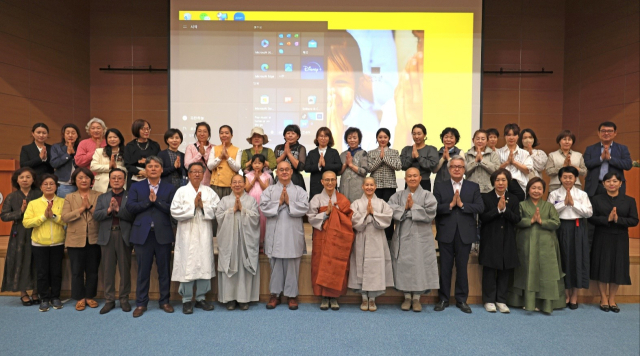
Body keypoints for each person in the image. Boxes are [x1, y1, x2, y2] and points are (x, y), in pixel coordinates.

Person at [125, 156, 177, 317]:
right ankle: (141, 303)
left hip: (163, 234)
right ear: (145, 170)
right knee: (143, 271)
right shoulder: (136, 187)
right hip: (142, 235)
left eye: (156, 166)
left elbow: (174, 209)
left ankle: (165, 301)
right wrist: (148, 202)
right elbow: (130, 207)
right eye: (150, 166)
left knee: (164, 270)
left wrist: (158, 203)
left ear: (162, 169)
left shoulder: (170, 188)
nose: (153, 169)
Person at [433, 156, 484, 313]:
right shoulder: (440, 186)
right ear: (449, 169)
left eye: (460, 167)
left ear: (464, 169)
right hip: (446, 231)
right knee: (445, 267)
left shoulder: (472, 186)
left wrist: (462, 205)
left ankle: (462, 300)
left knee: (462, 267)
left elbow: (480, 207)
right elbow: (434, 207)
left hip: (465, 233)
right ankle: (443, 299)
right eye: (453, 166)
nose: (457, 169)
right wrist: (449, 205)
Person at [507, 177, 565, 314]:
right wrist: (530, 220)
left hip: (547, 244)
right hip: (525, 242)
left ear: (543, 191)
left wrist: (542, 222)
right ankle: (525, 302)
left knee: (546, 272)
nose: (536, 191)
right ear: (528, 190)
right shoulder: (521, 205)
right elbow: (516, 221)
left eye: (539, 188)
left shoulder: (549, 206)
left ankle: (544, 303)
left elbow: (556, 223)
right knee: (526, 270)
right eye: (533, 188)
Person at [389, 167, 440, 312]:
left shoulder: (428, 195)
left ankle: (417, 298)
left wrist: (412, 207)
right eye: (409, 176)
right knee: (404, 264)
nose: (412, 178)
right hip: (403, 235)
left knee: (419, 264)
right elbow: (390, 209)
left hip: (421, 237)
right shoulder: (398, 196)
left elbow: (430, 213)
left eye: (415, 176)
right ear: (405, 179)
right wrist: (405, 209)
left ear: (420, 178)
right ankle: (406, 297)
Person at [170, 162, 219, 314]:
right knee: (187, 264)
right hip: (186, 233)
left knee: (204, 263)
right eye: (193, 172)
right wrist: (193, 206)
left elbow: (218, 209)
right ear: (189, 174)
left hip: (203, 232)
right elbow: (174, 211)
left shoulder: (209, 191)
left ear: (204, 174)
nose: (197, 174)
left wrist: (203, 206)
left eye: (199, 171)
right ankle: (186, 300)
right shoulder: (181, 191)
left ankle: (201, 298)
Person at [260, 161, 309, 310]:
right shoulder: (269, 190)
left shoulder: (300, 190)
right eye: (281, 170)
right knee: (275, 265)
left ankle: (292, 295)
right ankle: (275, 294)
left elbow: (305, 208)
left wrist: (289, 203)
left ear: (291, 172)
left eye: (287, 169)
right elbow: (263, 208)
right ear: (277, 172)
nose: (284, 172)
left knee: (293, 265)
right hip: (275, 233)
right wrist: (279, 202)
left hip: (292, 233)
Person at [590, 172, 638, 313]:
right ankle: (603, 298)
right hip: (602, 236)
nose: (612, 183)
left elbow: (634, 220)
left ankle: (612, 299)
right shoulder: (596, 199)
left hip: (620, 237)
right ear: (603, 184)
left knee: (618, 267)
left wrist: (618, 220)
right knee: (602, 266)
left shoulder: (629, 200)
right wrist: (607, 219)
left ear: (620, 183)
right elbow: (591, 218)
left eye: (615, 181)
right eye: (608, 181)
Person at [307, 171, 354, 311]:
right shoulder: (316, 198)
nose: (330, 182)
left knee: (336, 266)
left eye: (333, 180)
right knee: (320, 264)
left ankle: (334, 297)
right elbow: (310, 217)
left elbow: (349, 218)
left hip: (337, 239)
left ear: (336, 181)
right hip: (321, 237)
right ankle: (323, 296)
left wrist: (337, 213)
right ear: (322, 182)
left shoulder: (342, 199)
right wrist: (327, 214)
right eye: (327, 180)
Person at [548, 166, 593, 309]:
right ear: (560, 178)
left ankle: (574, 296)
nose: (568, 180)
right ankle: (565, 295)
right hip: (560, 228)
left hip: (577, 228)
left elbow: (589, 213)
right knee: (563, 259)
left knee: (577, 260)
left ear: (575, 179)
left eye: (571, 177)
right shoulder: (554, 194)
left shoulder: (582, 194)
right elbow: (549, 212)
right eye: (565, 177)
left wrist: (574, 204)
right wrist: (563, 204)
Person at [325, 30, 378, 152]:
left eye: (340, 82)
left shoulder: (369, 146)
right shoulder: (290, 140)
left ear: (357, 85)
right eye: (319, 83)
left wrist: (335, 142)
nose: (330, 93)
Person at [216, 174, 261, 311]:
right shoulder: (224, 200)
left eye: (240, 182)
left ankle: (244, 299)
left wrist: (243, 210)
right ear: (230, 185)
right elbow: (218, 217)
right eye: (234, 182)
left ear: (244, 184)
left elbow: (256, 218)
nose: (237, 185)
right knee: (230, 265)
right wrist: (232, 211)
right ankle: (229, 299)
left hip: (245, 241)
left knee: (243, 268)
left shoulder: (251, 200)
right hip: (229, 240)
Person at [348, 177, 394, 312]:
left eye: (371, 185)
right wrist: (366, 214)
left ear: (375, 187)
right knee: (360, 264)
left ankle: (373, 298)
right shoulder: (356, 203)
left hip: (377, 238)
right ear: (362, 187)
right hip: (361, 237)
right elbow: (353, 220)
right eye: (366, 185)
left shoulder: (381, 203)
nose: (369, 187)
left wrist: (373, 213)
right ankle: (363, 297)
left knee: (375, 266)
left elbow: (388, 218)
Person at [478, 169, 521, 313]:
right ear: (493, 182)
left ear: (508, 182)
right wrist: (497, 209)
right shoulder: (485, 197)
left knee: (505, 270)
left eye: (503, 180)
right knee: (489, 270)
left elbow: (517, 219)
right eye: (497, 180)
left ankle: (501, 300)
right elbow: (482, 218)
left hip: (508, 239)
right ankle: (489, 300)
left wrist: (505, 210)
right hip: (490, 238)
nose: (500, 183)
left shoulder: (513, 199)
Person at [93, 168, 134, 314]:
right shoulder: (102, 197)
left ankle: (124, 299)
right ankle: (109, 300)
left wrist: (118, 210)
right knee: (108, 270)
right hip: (107, 236)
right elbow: (96, 216)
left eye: (119, 178)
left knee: (124, 270)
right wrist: (109, 211)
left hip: (124, 235)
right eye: (113, 178)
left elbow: (132, 216)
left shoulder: (130, 196)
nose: (116, 180)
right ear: (109, 180)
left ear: (124, 180)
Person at [22, 173, 66, 312]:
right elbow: (26, 222)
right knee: (42, 273)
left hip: (57, 243)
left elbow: (66, 220)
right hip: (39, 244)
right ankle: (44, 299)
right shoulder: (33, 203)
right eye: (45, 184)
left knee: (56, 272)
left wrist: (52, 216)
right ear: (40, 187)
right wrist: (43, 217)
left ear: (56, 186)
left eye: (51, 184)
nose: (48, 186)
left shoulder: (62, 202)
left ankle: (55, 297)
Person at [61, 167, 101, 311]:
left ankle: (90, 296)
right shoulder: (69, 197)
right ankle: (80, 298)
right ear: (75, 181)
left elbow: (101, 216)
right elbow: (64, 217)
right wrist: (80, 209)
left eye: (86, 178)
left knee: (92, 270)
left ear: (91, 180)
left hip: (94, 238)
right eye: (80, 178)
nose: (83, 180)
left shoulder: (99, 195)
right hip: (75, 239)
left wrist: (88, 207)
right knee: (76, 271)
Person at [1, 167, 41, 306]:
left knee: (36, 260)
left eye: (28, 177)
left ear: (33, 179)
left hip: (37, 230)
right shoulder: (12, 196)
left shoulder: (39, 193)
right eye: (22, 177)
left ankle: (36, 292)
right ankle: (23, 293)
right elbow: (4, 216)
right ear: (17, 180)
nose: (25, 180)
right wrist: (20, 211)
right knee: (20, 260)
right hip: (18, 233)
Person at [367, 128, 402, 240]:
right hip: (374, 187)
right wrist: (379, 158)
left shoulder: (394, 152)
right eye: (380, 137)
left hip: (389, 187)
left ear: (389, 138)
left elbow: (398, 166)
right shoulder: (370, 153)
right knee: (375, 211)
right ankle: (375, 237)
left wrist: (385, 157)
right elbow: (369, 168)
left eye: (385, 137)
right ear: (377, 138)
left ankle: (389, 238)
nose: (382, 139)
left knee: (388, 213)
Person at [584, 121, 633, 197]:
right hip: (595, 187)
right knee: (593, 208)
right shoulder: (590, 149)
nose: (606, 133)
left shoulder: (622, 148)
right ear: (598, 133)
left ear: (615, 133)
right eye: (603, 131)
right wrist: (601, 158)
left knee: (614, 208)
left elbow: (628, 165)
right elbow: (586, 164)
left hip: (615, 187)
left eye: (609, 131)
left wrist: (610, 158)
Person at [244, 154, 273, 252]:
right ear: (251, 164)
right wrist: (254, 179)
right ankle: (252, 243)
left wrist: (258, 179)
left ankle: (262, 243)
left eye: (259, 163)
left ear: (263, 165)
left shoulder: (267, 176)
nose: (257, 165)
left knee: (262, 221)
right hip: (251, 201)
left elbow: (266, 189)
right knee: (252, 220)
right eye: (255, 163)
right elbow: (247, 189)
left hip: (262, 202)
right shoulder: (248, 176)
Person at [305, 127, 342, 201]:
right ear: (317, 138)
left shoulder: (334, 152)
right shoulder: (311, 153)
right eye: (321, 136)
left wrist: (325, 165)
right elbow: (306, 168)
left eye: (326, 136)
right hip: (315, 186)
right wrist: (318, 165)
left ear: (329, 138)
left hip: (330, 186)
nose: (323, 138)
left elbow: (339, 166)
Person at [123, 119, 161, 190]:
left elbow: (159, 161)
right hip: (134, 179)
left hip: (152, 178)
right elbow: (127, 164)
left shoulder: (155, 145)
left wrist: (147, 161)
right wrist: (141, 172)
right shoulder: (130, 146)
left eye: (148, 129)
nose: (146, 131)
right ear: (136, 130)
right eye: (143, 129)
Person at [400, 124, 438, 191]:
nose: (416, 136)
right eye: (414, 134)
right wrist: (411, 157)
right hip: (409, 182)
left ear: (425, 135)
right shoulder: (406, 149)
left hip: (424, 181)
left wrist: (418, 157)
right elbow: (402, 166)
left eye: (419, 134)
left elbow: (432, 166)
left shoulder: (431, 149)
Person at [207, 125, 241, 200]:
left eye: (226, 133)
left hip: (231, 185)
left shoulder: (237, 150)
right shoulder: (214, 148)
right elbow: (209, 166)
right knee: (216, 207)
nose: (224, 135)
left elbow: (237, 168)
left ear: (231, 135)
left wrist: (227, 157)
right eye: (221, 133)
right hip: (216, 184)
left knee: (230, 208)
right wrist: (220, 157)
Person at [497, 123, 533, 193]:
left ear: (518, 136)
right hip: (502, 186)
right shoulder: (498, 152)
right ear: (505, 136)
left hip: (520, 185)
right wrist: (507, 162)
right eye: (509, 135)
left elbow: (528, 170)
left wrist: (514, 162)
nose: (511, 138)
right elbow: (494, 170)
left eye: (514, 135)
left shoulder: (524, 153)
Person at [90, 128, 126, 193]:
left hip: (120, 185)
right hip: (101, 186)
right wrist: (109, 166)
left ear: (120, 139)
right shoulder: (99, 151)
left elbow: (128, 169)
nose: (112, 139)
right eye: (109, 137)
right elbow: (93, 167)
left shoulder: (125, 152)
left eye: (115, 137)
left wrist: (116, 167)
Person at [50, 124, 81, 198]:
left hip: (79, 184)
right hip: (63, 184)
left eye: (73, 133)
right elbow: (54, 163)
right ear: (63, 135)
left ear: (77, 135)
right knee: (64, 207)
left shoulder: (80, 147)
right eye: (67, 133)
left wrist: (74, 155)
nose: (70, 135)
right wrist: (67, 154)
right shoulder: (56, 147)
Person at [465, 129, 500, 194]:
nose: (480, 141)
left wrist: (482, 161)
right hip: (470, 189)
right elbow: (464, 171)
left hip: (488, 190)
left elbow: (496, 171)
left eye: (483, 139)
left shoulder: (493, 154)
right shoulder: (467, 154)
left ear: (487, 141)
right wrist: (475, 161)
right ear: (473, 140)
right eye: (477, 139)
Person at [339, 127, 369, 202]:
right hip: (344, 187)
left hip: (358, 189)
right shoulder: (343, 154)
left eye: (354, 138)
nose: (352, 140)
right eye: (349, 138)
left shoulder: (363, 153)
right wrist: (346, 164)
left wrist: (351, 165)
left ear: (359, 139)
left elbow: (364, 172)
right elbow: (338, 172)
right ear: (346, 140)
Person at [274, 124, 307, 190]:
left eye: (293, 133)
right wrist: (284, 154)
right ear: (284, 136)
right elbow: (274, 165)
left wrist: (289, 154)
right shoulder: (279, 147)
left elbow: (301, 167)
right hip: (280, 178)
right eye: (288, 133)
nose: (290, 135)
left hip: (295, 178)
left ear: (298, 136)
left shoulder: (301, 148)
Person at [185, 122, 214, 187]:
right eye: (199, 131)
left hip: (210, 185)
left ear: (209, 134)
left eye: (205, 131)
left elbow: (214, 166)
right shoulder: (190, 147)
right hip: (194, 185)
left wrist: (205, 155)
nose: (202, 134)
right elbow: (187, 165)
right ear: (196, 133)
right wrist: (200, 154)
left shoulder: (214, 148)